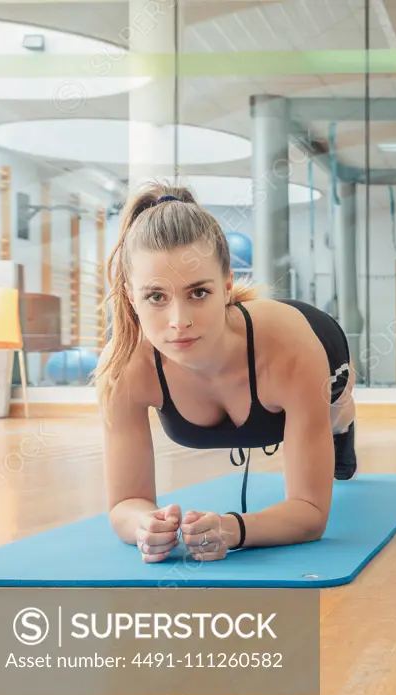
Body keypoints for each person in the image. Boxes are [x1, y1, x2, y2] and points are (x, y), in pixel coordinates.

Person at [92, 182, 358, 564]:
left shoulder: (294, 351)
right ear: (132, 298)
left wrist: (232, 529)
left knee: (336, 407)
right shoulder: (122, 368)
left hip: (316, 343)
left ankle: (342, 421)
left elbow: (311, 514)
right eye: (156, 297)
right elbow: (124, 504)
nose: (179, 322)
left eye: (198, 292)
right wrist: (143, 525)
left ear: (227, 286)